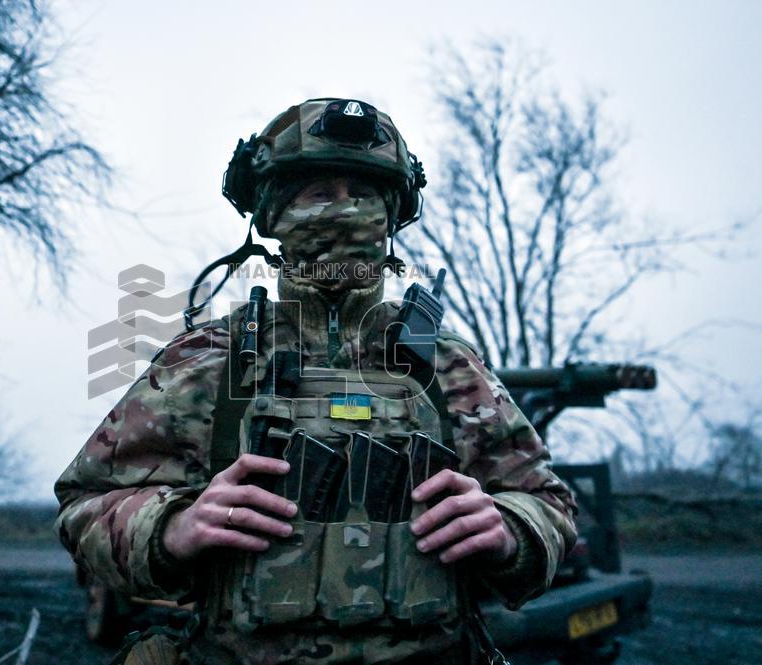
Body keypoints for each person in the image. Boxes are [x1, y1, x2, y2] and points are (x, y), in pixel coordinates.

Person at [54, 98, 578, 664]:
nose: (344, 211)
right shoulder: (209, 360)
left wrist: (507, 532)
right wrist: (172, 526)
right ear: (276, 215)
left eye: (364, 195)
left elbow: (548, 505)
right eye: (319, 194)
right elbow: (85, 503)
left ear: (390, 214)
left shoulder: (449, 366)